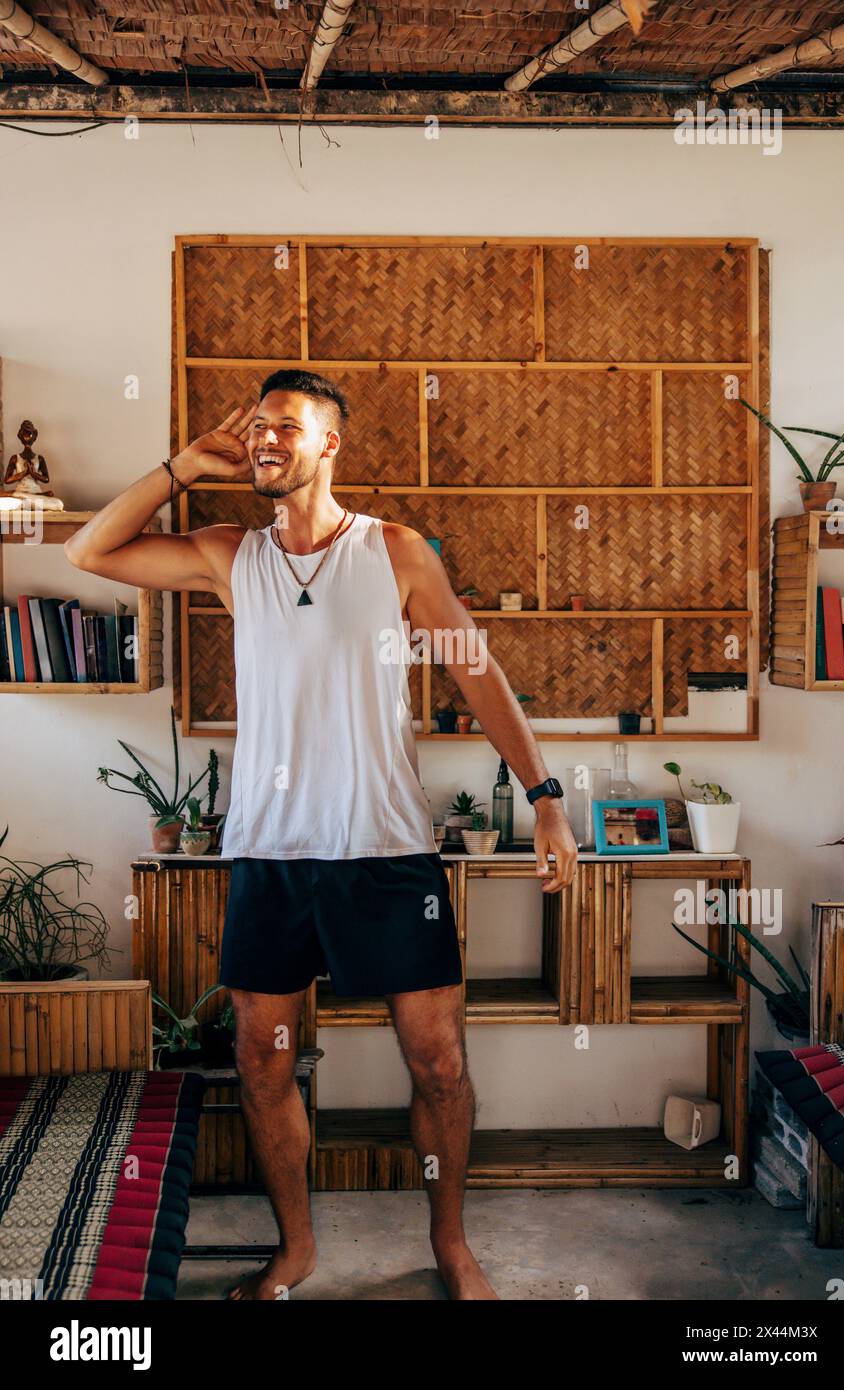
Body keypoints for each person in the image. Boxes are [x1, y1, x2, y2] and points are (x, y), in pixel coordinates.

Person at [66, 369, 578, 1301]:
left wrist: (545, 798)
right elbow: (89, 551)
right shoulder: (230, 554)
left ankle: (451, 1245)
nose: (265, 440)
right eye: (256, 427)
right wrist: (181, 465)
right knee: (263, 1070)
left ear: (329, 444)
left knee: (439, 1064)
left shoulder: (395, 552)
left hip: (385, 854)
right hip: (270, 854)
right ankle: (297, 1250)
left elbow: (477, 673)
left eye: (286, 427)